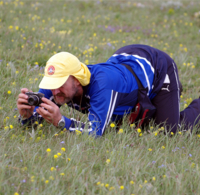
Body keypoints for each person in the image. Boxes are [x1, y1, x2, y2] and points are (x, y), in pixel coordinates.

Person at [17, 44, 200, 136]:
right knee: (130, 123)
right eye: (51, 84)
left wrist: (61, 121)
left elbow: (95, 133)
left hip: (157, 66)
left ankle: (168, 92)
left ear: (77, 80)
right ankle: (165, 99)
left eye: (60, 85)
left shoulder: (103, 85)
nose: (54, 92)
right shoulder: (57, 85)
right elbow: (36, 122)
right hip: (126, 64)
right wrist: (27, 116)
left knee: (169, 131)